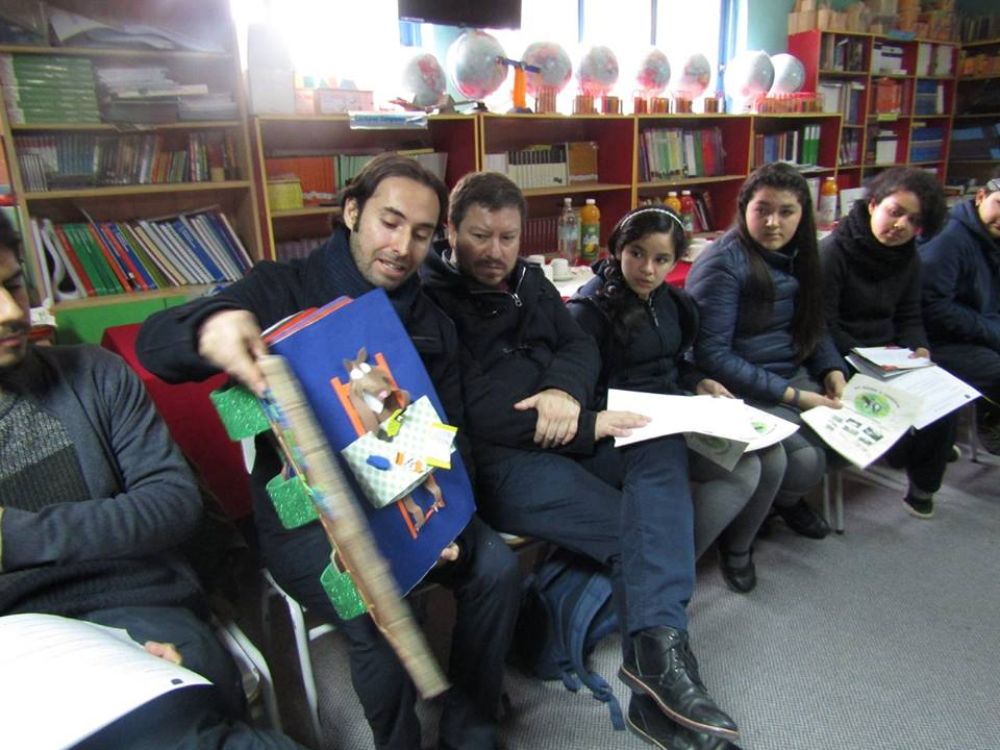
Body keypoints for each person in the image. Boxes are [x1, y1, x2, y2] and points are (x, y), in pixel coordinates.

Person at [136, 154, 521, 750]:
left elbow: (453, 432)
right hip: (311, 517)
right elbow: (155, 345)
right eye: (389, 222)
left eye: (422, 234)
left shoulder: (430, 316)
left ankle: (468, 729)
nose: (403, 247)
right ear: (351, 212)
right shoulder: (281, 286)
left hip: (408, 490)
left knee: (495, 567)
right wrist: (211, 326)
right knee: (375, 606)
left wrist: (444, 520)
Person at [421, 172, 741, 750]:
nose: (495, 252)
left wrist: (564, 392)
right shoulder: (430, 301)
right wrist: (587, 423)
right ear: (450, 230)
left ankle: (656, 661)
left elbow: (577, 344)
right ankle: (659, 688)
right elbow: (477, 412)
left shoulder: (530, 280)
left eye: (508, 238)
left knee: (658, 441)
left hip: (562, 429)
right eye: (480, 236)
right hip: (500, 460)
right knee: (633, 530)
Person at [0, 213, 303, 750]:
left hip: (143, 607)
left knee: (185, 730)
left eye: (14, 284)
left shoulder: (95, 374)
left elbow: (172, 504)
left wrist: (14, 538)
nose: (9, 311)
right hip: (20, 644)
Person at [567, 205, 785, 592]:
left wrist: (700, 382)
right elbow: (580, 389)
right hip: (624, 429)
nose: (647, 269)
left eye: (661, 259)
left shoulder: (672, 303)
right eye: (636, 253)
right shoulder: (590, 310)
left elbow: (673, 361)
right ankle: (670, 575)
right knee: (742, 472)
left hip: (673, 410)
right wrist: (642, 409)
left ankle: (736, 548)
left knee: (773, 455)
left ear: (675, 261)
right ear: (617, 249)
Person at [685, 162, 850, 541]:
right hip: (740, 387)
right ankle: (782, 503)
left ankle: (778, 500)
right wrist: (793, 396)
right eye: (762, 210)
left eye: (786, 211)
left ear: (802, 214)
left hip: (792, 373)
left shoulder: (803, 254)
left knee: (847, 440)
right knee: (806, 460)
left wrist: (831, 368)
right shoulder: (722, 263)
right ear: (744, 209)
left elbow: (813, 323)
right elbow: (712, 356)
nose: (774, 222)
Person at [820, 167, 955, 518]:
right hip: (843, 354)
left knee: (942, 399)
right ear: (873, 205)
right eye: (895, 212)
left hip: (889, 355)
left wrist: (919, 348)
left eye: (914, 221)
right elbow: (823, 325)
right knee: (896, 400)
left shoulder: (908, 256)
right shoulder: (833, 252)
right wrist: (871, 359)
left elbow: (910, 315)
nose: (901, 226)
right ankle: (903, 449)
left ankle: (922, 488)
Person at [919, 168, 1000, 454]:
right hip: (939, 340)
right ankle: (991, 420)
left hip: (979, 328)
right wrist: (993, 332)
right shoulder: (950, 238)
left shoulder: (991, 236)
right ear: (980, 197)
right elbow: (934, 308)